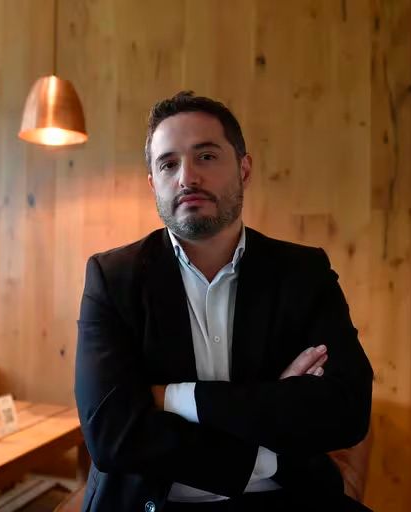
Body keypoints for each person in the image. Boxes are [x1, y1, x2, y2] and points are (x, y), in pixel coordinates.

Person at [74, 91, 373, 511]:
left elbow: (347, 410)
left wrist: (175, 399)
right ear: (153, 183)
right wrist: (268, 432)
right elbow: (110, 435)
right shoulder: (113, 278)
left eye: (206, 156)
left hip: (288, 498)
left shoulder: (303, 272)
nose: (187, 178)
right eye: (168, 164)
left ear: (244, 169)